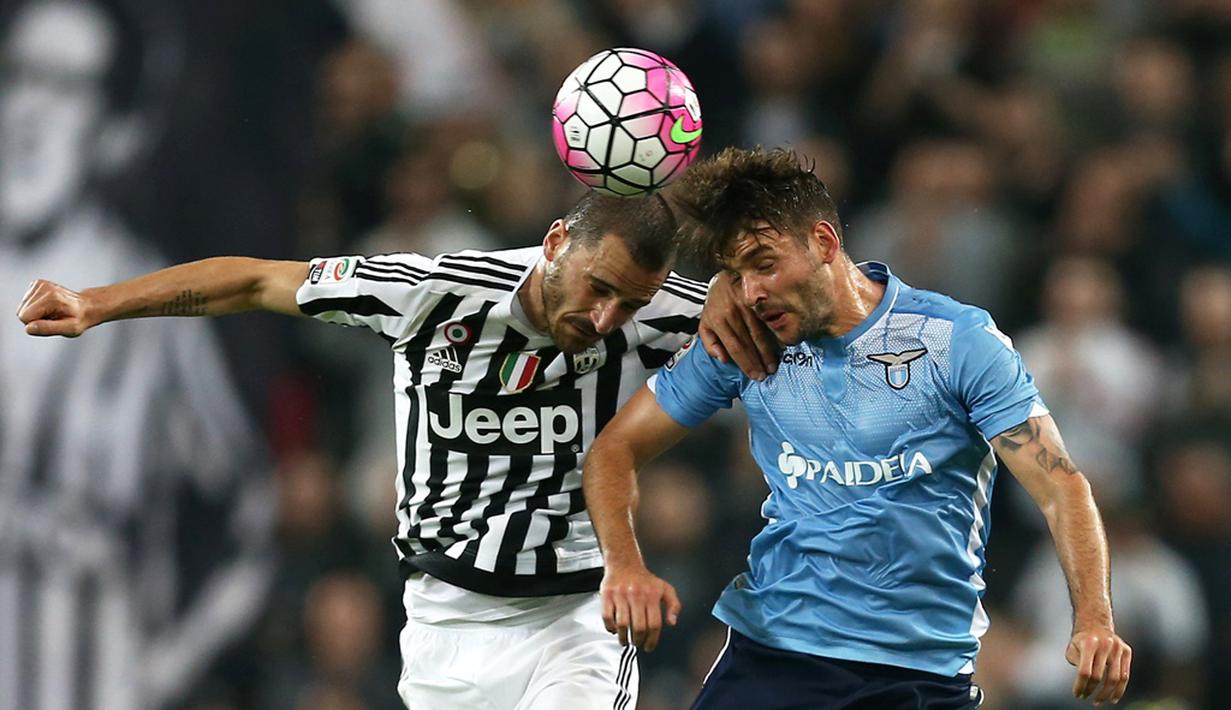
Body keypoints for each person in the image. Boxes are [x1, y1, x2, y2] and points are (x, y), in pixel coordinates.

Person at [17, 190, 773, 709]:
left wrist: (734, 289)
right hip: (445, 623)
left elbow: (800, 330)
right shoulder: (435, 292)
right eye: (599, 288)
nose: (608, 318)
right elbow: (251, 281)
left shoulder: (663, 312)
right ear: (553, 245)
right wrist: (95, 303)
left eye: (631, 304)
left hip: (571, 617)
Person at [582, 147, 1133, 708]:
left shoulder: (956, 341)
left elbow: (1062, 488)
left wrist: (1094, 620)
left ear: (824, 243)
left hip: (921, 671)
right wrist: (624, 564)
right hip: (774, 654)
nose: (751, 292)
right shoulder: (744, 339)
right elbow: (614, 450)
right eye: (736, 274)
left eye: (764, 263)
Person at [0, 2, 273, 709]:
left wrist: (163, 669)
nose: (29, 110)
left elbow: (251, 520)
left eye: (64, 86)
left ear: (115, 128)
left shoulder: (147, 310)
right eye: (18, 75)